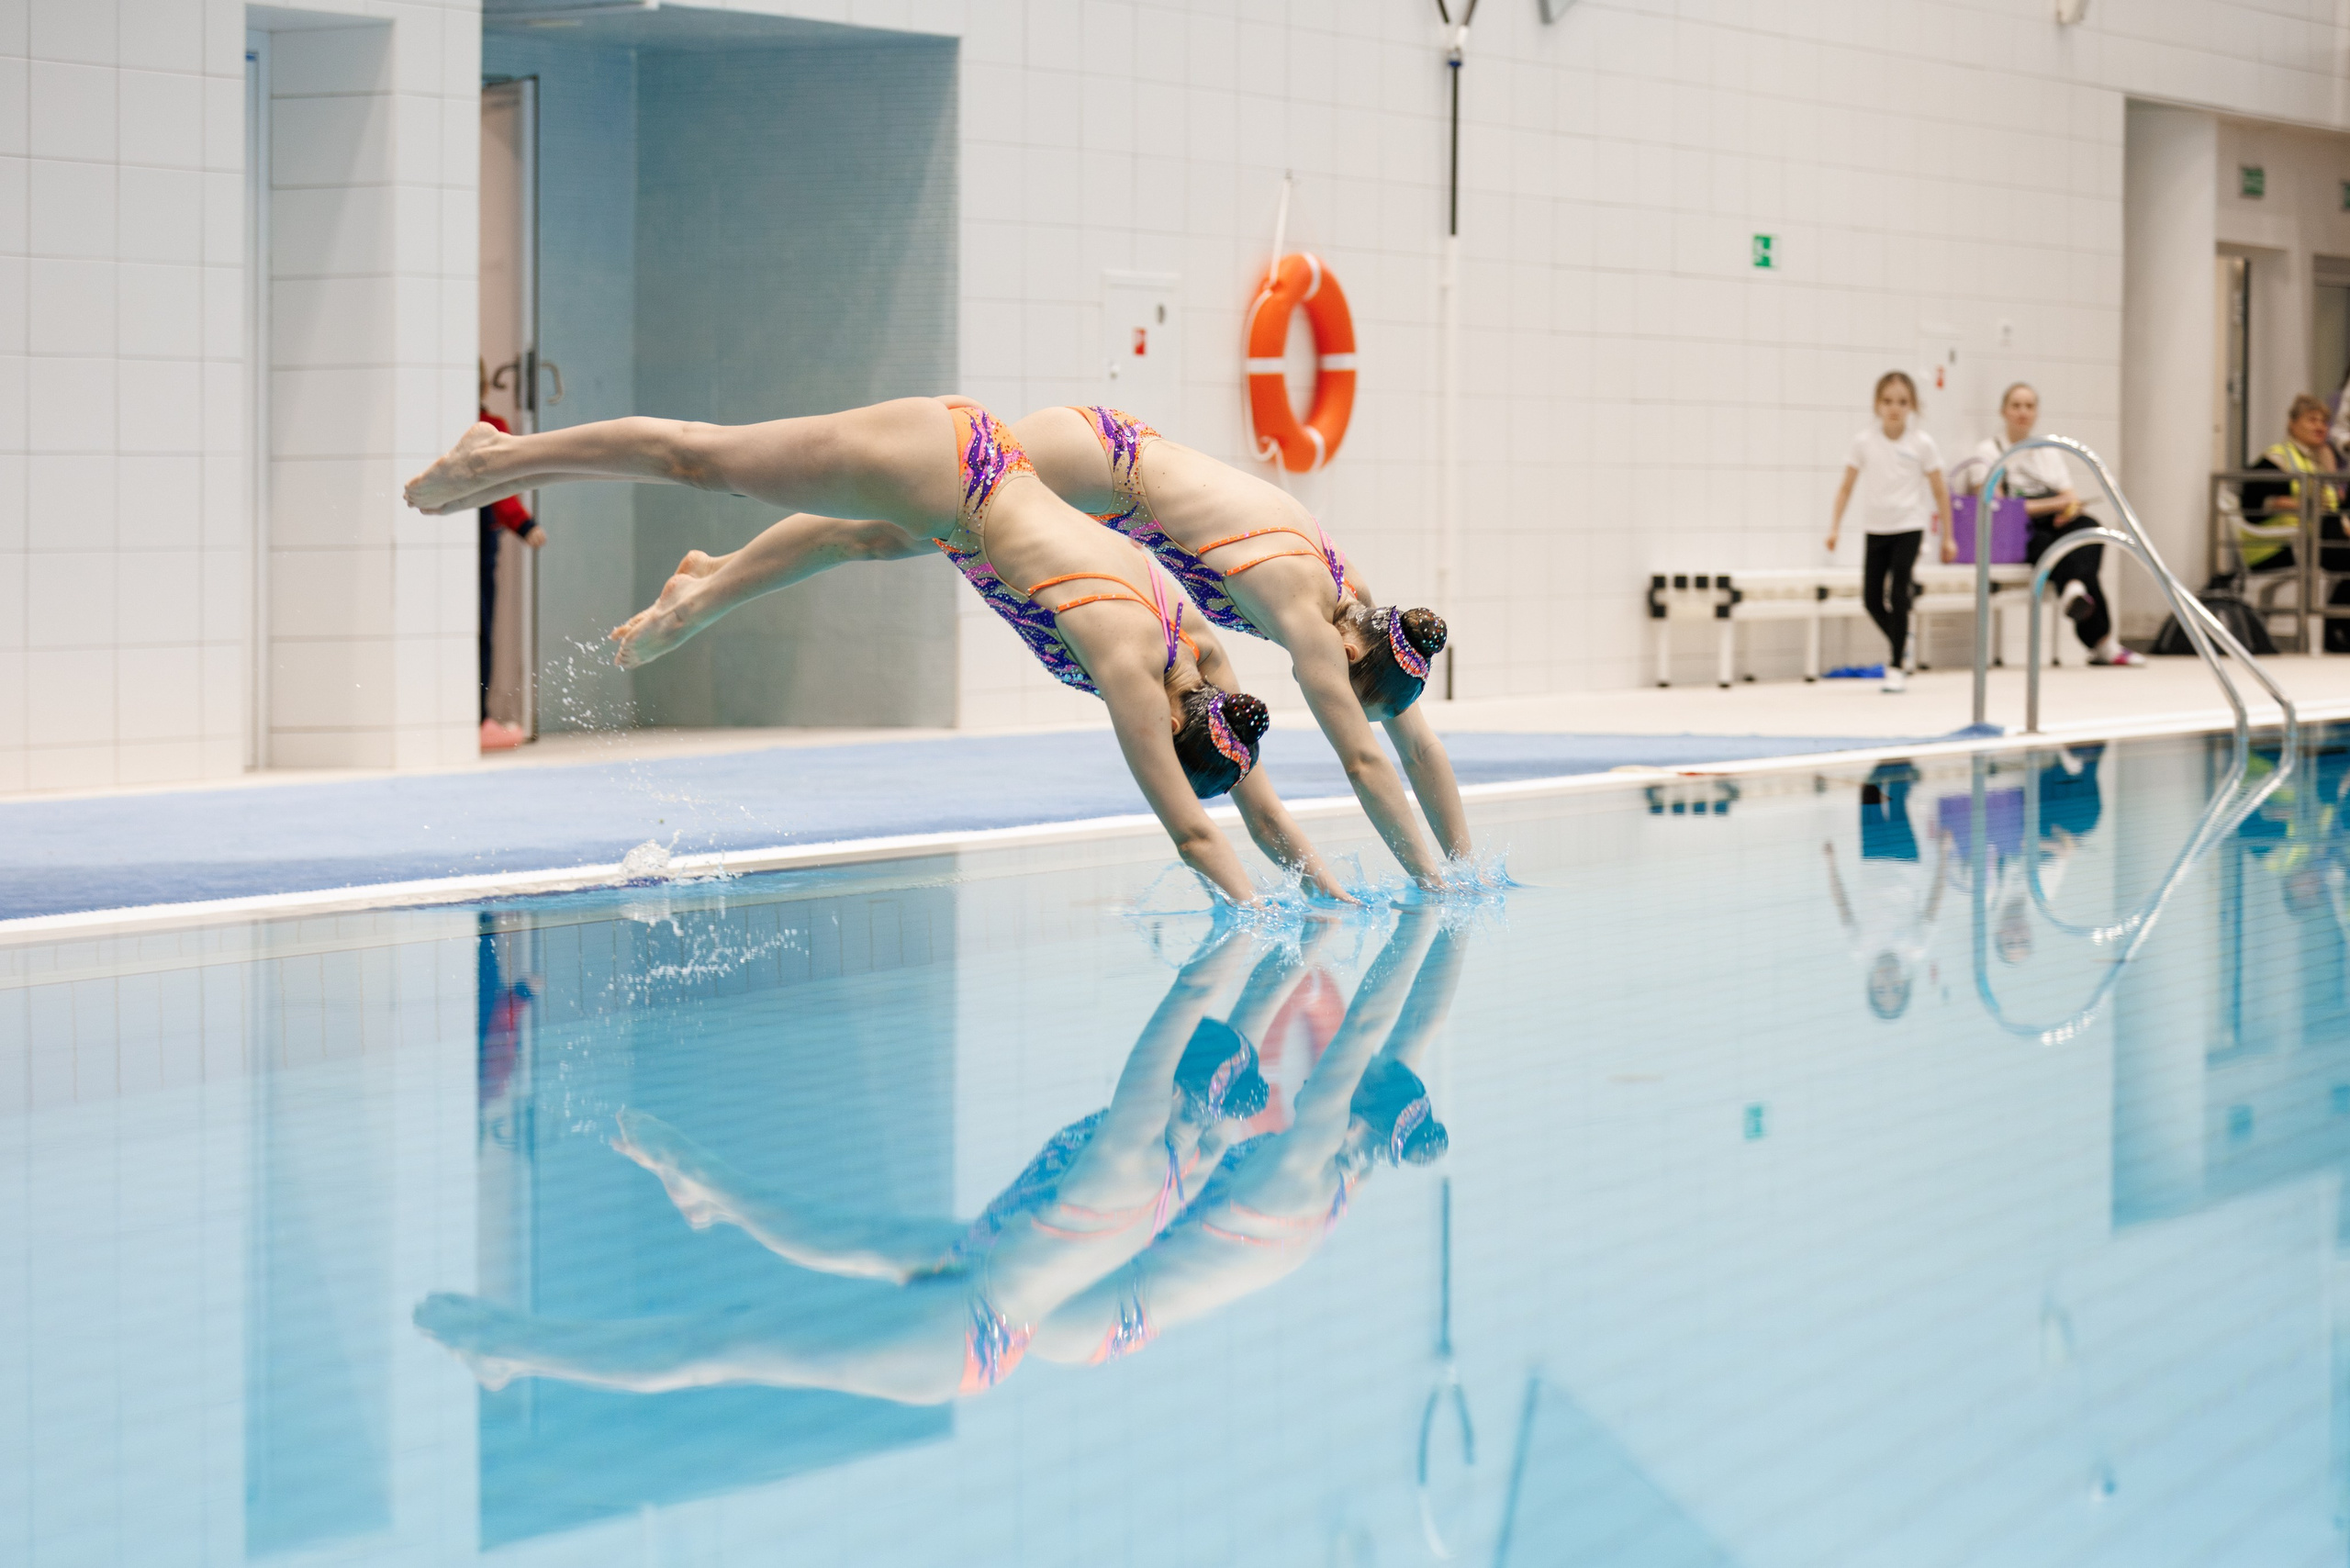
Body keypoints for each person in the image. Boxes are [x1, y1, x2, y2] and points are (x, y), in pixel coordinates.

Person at [404, 398, 1347, 906]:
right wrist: (1253, 916)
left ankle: (704, 587)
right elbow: (1193, 833)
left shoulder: (1201, 661)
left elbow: (1257, 808)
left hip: (969, 508)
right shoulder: (1127, 662)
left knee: (854, 540)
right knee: (706, 458)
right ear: (1167, 721)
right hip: (954, 470)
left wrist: (1331, 899)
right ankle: (499, 455)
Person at [408, 932, 1283, 1405]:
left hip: (962, 1330)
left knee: (721, 1342)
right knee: (846, 1238)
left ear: (1173, 1086)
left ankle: (508, 1350)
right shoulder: (1189, 1147)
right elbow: (1233, 1038)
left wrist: (1237, 910)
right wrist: (1296, 937)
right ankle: (705, 1189)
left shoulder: (1134, 1144)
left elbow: (1187, 1005)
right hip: (978, 1273)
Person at [1007, 405, 1470, 890]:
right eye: (1348, 696)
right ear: (1347, 657)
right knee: (957, 509)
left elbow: (1419, 747)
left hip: (1104, 452)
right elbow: (1363, 762)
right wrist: (1430, 882)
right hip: (1082, 461)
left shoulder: (1356, 602)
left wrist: (1465, 871)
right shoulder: (1310, 618)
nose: (1333, 692)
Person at [1024, 904, 1462, 1370]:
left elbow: (1363, 1027)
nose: (1315, 1074)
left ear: (1349, 1121)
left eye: (1339, 1080)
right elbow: (1421, 1023)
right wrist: (1452, 908)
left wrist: (1417, 919)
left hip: (1085, 1314)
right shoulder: (1359, 1159)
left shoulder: (1302, 1172)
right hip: (1107, 1312)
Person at [1970, 383, 2144, 667]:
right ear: (2004, 411)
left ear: (2036, 412)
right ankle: (2102, 642)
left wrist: (2069, 509)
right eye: (2016, 405)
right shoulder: (1989, 452)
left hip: (2056, 522)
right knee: (2055, 549)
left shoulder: (2047, 451)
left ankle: (2074, 589)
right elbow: (1998, 508)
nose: (2023, 412)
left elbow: (2070, 496)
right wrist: (2054, 503)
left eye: (2029, 406)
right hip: (2017, 533)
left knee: (2089, 530)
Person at [1825, 372, 1953, 694]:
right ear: (1877, 404)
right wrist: (1835, 526)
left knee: (1898, 593)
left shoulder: (1922, 444)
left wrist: (1949, 536)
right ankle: (1902, 639)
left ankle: (1895, 666)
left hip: (1909, 526)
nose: (1894, 408)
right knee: (1871, 599)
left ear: (1912, 406)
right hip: (1876, 529)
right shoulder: (1864, 442)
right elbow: (1845, 487)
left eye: (1902, 402)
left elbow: (1940, 492)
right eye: (1887, 401)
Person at [1825, 762, 1948, 1019]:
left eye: (1881, 990)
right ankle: (1902, 768)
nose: (1888, 982)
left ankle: (1895, 770)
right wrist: (1944, 854)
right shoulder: (1916, 948)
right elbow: (1935, 901)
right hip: (1905, 859)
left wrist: (1831, 864)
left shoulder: (1860, 949)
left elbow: (1842, 904)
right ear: (1905, 984)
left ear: (1870, 985)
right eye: (1896, 989)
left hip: (1871, 859)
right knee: (1896, 799)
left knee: (1868, 793)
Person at [2240, 393, 2350, 651]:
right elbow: (2252, 503)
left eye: (2323, 421)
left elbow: (2333, 507)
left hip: (2315, 543)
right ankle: (2335, 630)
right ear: (2292, 424)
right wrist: (2296, 503)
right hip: (2278, 547)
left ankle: (2335, 630)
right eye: (2311, 420)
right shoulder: (2277, 458)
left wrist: (2329, 466)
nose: (2320, 426)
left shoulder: (2315, 460)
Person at [474, 398, 548, 751]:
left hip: (462, 539)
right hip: (479, 541)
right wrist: (523, 523)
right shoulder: (488, 427)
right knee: (480, 631)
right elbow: (498, 485)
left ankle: (474, 717)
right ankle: (478, 719)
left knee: (472, 631)